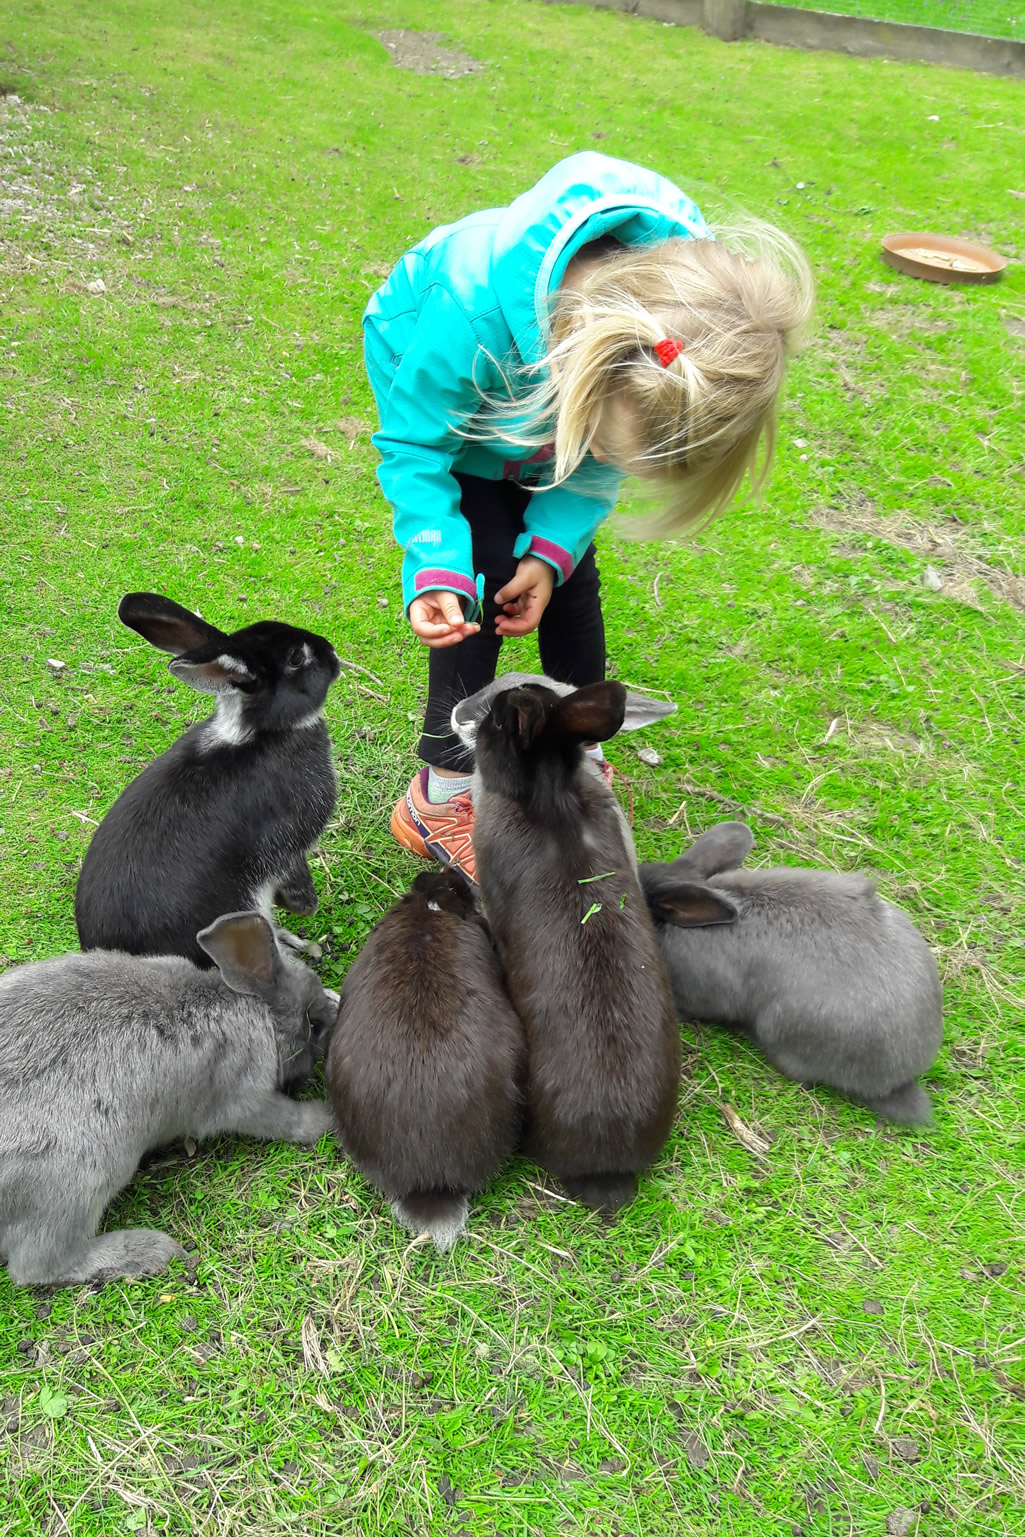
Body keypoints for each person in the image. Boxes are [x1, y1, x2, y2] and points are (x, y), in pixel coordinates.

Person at [362, 151, 813, 883]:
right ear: (585, 369)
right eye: (605, 446)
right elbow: (417, 451)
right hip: (447, 392)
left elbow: (593, 466)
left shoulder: (680, 324)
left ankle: (579, 747)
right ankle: (438, 795)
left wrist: (548, 553)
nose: (602, 462)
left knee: (569, 577)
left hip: (546, 390)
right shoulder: (465, 312)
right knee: (476, 569)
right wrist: (435, 563)